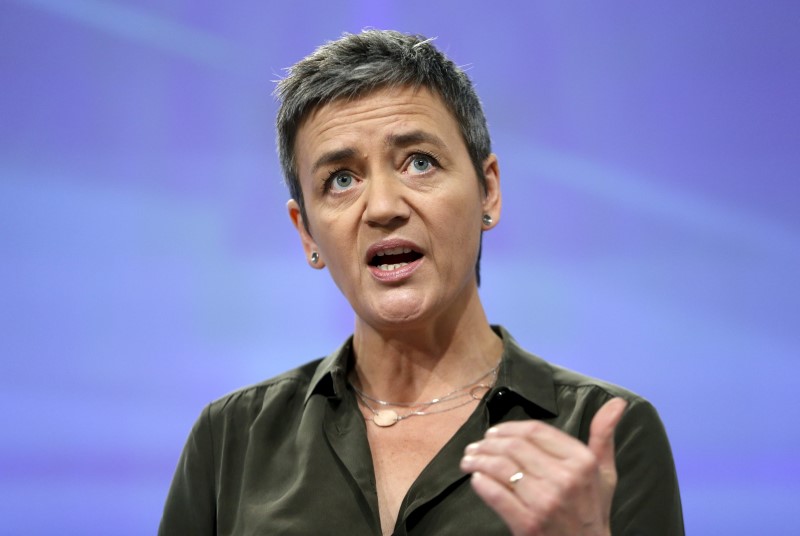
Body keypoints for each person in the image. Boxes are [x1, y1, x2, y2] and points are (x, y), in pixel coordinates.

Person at [159, 30, 684, 535]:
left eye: (419, 162)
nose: (384, 207)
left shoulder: (603, 437)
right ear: (307, 234)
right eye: (341, 179)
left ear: (488, 192)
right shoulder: (232, 438)